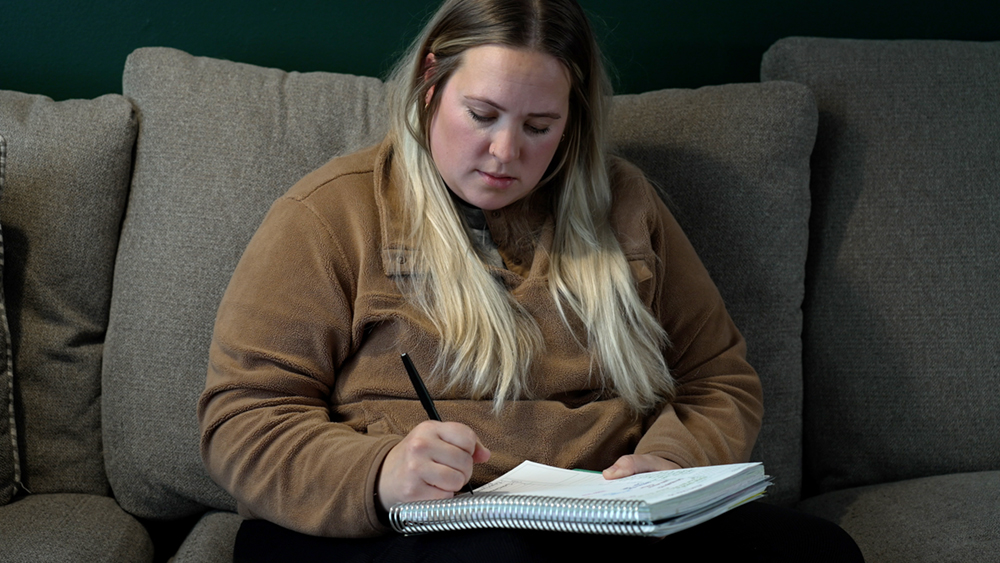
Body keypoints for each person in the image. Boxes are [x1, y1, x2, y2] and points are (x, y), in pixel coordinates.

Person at [198, 0, 864, 561]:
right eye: (482, 114)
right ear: (431, 82)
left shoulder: (624, 205)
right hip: (408, 523)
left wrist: (669, 463)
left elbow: (718, 377)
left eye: (539, 127)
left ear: (571, 121)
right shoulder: (329, 215)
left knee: (821, 550)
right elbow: (243, 419)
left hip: (601, 518)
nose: (505, 152)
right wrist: (379, 474)